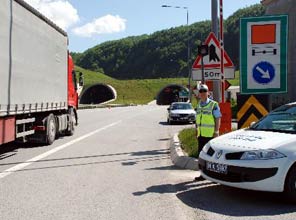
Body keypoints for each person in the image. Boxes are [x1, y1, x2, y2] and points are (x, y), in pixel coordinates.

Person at [194, 84, 221, 181]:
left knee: (212, 157)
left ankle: (214, 177)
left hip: (211, 135)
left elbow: (218, 118)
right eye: (200, 91)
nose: (202, 93)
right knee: (201, 156)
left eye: (204, 91)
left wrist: (216, 131)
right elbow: (197, 119)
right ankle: (203, 175)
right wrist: (196, 129)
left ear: (208, 93)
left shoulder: (213, 104)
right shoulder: (198, 105)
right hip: (201, 135)